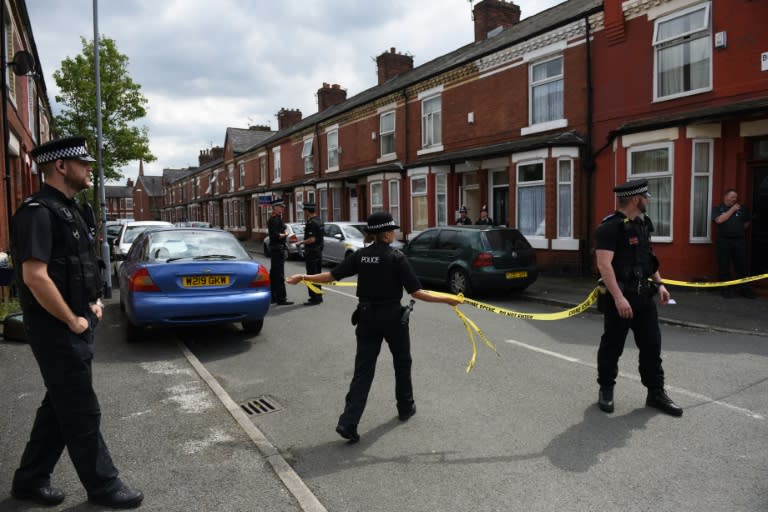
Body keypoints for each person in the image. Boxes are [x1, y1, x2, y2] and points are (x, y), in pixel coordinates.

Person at [10, 136, 144, 508]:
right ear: (61, 167)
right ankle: (104, 486)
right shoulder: (37, 212)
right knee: (81, 408)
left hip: (77, 322)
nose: (90, 169)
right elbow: (36, 276)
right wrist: (72, 319)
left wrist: (92, 303)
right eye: (82, 163)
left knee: (60, 405)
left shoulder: (72, 210)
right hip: (56, 329)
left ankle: (30, 480)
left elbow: (79, 266)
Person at [286, 212, 460, 443]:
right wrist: (448, 300)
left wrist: (304, 276)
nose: (395, 233)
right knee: (402, 362)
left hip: (367, 318)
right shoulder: (397, 257)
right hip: (393, 319)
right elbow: (417, 292)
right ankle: (405, 407)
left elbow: (331, 276)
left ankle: (348, 422)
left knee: (363, 370)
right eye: (393, 230)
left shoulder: (360, 255)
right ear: (386, 233)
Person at [594, 179, 683, 417]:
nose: (649, 200)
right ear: (636, 199)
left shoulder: (642, 225)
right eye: (646, 197)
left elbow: (648, 258)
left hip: (645, 299)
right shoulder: (608, 228)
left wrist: (660, 283)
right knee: (612, 346)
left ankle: (656, 392)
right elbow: (604, 266)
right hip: (620, 299)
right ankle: (606, 388)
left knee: (652, 346)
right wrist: (619, 298)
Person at [711, 189, 753, 298]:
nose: (735, 199)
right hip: (724, 241)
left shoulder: (742, 209)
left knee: (742, 266)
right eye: (733, 197)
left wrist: (737, 229)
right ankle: (726, 290)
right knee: (724, 266)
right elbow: (719, 220)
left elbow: (747, 222)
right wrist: (732, 210)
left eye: (736, 197)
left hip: (738, 241)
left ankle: (744, 290)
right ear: (726, 197)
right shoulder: (718, 208)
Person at [267, 198, 293, 305]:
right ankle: (281, 299)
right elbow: (275, 235)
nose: (282, 209)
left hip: (278, 248)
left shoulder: (278, 218)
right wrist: (285, 234)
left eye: (282, 207)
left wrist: (285, 232)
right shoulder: (273, 220)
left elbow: (284, 228)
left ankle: (273, 297)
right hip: (277, 249)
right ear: (275, 208)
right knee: (279, 275)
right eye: (280, 207)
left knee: (274, 274)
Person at [298, 203, 324, 306]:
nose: (304, 213)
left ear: (308, 211)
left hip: (312, 253)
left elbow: (312, 239)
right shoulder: (320, 221)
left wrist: (301, 242)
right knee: (318, 275)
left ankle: (314, 298)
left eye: (305, 211)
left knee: (311, 276)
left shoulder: (312, 223)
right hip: (318, 252)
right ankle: (319, 296)